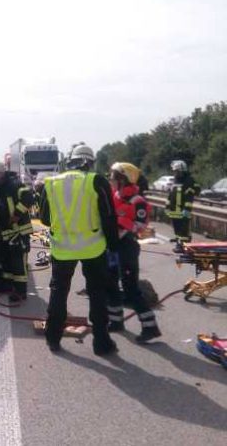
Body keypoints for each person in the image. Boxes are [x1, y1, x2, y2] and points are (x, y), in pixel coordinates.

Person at [39, 144, 119, 355]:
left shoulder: (51, 183)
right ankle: (101, 343)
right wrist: (113, 247)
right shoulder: (96, 180)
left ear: (70, 160)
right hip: (93, 248)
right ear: (90, 162)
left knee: (59, 291)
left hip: (62, 249)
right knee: (97, 294)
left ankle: (53, 338)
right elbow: (109, 216)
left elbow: (44, 218)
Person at [106, 162, 161, 343]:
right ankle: (116, 321)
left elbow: (140, 226)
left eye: (113, 176)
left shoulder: (139, 202)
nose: (111, 179)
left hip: (127, 248)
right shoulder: (114, 196)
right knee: (111, 284)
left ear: (124, 179)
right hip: (112, 248)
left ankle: (150, 326)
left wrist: (119, 220)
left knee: (130, 289)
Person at [0, 162, 35, 301]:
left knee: (18, 262)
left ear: (3, 173)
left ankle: (20, 291)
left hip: (19, 231)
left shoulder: (14, 184)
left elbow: (28, 197)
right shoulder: (0, 187)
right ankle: (9, 286)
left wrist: (16, 214)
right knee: (7, 260)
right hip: (8, 232)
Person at [166, 160, 200, 252]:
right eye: (174, 171)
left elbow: (190, 196)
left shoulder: (188, 180)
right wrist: (167, 206)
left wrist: (187, 209)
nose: (175, 173)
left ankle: (184, 246)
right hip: (174, 211)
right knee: (177, 230)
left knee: (183, 230)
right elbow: (171, 194)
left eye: (177, 171)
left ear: (182, 171)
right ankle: (179, 243)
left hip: (183, 210)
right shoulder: (175, 180)